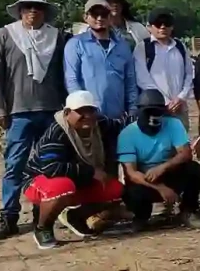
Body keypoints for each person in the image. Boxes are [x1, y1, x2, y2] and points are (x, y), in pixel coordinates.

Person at [0, 0, 69, 242]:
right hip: (19, 112)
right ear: (20, 10)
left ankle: (41, 216)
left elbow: (65, 75)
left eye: (37, 7)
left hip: (51, 111)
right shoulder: (5, 35)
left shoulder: (58, 37)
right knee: (15, 165)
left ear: (45, 11)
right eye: (27, 7)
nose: (32, 11)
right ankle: (8, 216)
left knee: (48, 166)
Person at [22, 90, 124, 250]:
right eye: (80, 112)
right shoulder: (57, 132)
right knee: (61, 187)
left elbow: (123, 124)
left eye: (90, 111)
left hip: (77, 179)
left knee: (115, 189)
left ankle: (76, 216)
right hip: (39, 180)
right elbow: (52, 168)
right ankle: (43, 228)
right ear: (67, 113)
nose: (87, 116)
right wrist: (91, 172)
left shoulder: (101, 124)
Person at [118, 89, 200, 231]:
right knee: (131, 191)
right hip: (145, 179)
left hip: (168, 173)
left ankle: (188, 210)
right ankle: (141, 216)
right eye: (149, 112)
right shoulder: (127, 134)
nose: (153, 116)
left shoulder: (173, 124)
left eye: (157, 112)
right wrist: (160, 188)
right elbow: (131, 173)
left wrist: (163, 167)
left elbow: (186, 153)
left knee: (193, 169)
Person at [63, 0, 139, 139]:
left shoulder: (123, 46)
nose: (99, 18)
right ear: (86, 17)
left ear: (110, 17)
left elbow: (130, 81)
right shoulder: (75, 44)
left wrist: (132, 111)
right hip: (88, 119)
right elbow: (72, 80)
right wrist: (83, 110)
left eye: (104, 14)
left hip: (118, 118)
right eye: (94, 14)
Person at [135, 8, 194, 129]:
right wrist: (165, 102)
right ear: (149, 27)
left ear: (172, 27)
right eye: (158, 23)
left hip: (180, 108)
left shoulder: (180, 46)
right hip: (154, 108)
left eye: (166, 23)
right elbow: (142, 78)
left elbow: (189, 73)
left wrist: (181, 97)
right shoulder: (143, 48)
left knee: (180, 144)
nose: (162, 27)